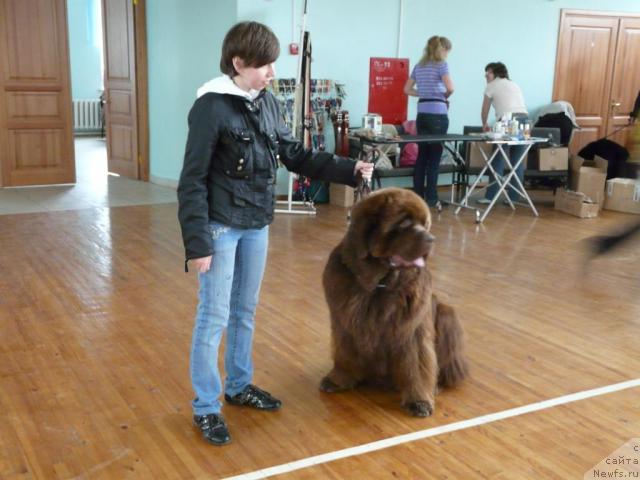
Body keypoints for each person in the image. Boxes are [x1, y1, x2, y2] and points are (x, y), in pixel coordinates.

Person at [177, 21, 373, 446]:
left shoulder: (267, 104)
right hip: (220, 226)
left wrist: (349, 169)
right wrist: (198, 244)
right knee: (213, 317)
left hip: (257, 224)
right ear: (238, 62)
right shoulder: (211, 107)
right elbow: (191, 179)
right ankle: (207, 407)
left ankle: (239, 385)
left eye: (272, 64)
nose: (271, 72)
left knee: (244, 312)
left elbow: (296, 154)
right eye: (263, 64)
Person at [403, 35, 454, 208]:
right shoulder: (442, 65)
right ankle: (432, 199)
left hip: (422, 114)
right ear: (444, 50)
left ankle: (417, 196)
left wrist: (424, 94)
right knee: (434, 158)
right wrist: (442, 96)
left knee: (422, 156)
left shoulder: (419, 66)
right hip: (438, 115)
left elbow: (407, 89)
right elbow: (451, 88)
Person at [480, 62, 528, 204]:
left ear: (497, 73)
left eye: (488, 72)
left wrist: (484, 124)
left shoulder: (491, 85)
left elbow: (485, 109)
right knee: (517, 161)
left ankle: (491, 197)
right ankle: (513, 198)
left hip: (507, 120)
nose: (486, 75)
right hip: (524, 120)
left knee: (498, 157)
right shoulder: (513, 84)